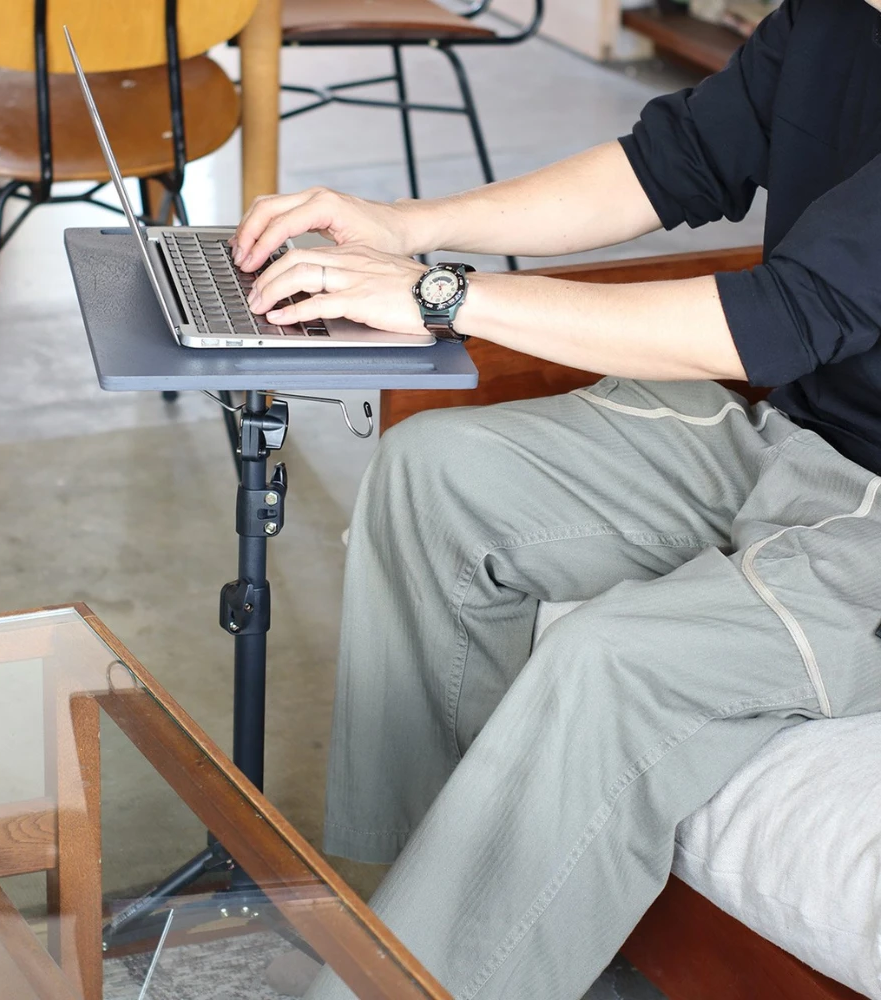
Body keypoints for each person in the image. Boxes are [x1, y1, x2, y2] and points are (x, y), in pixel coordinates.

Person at [233, 0, 881, 996]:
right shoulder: (836, 21)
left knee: (610, 659)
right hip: (792, 442)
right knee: (434, 475)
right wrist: (409, 226)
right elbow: (664, 164)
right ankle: (413, 939)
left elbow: (778, 318)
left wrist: (442, 294)